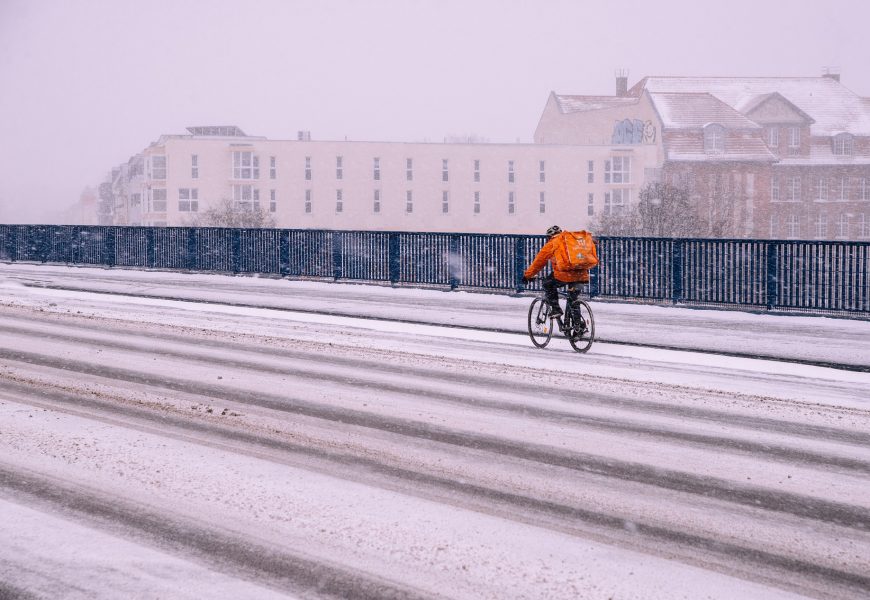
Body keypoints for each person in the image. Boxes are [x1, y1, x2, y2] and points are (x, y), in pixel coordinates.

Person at [522, 225, 589, 318]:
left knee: (547, 284)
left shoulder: (552, 243)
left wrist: (527, 275)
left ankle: (556, 309)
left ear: (549, 236)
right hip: (582, 275)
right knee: (573, 299)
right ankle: (579, 326)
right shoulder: (572, 241)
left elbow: (539, 262)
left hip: (566, 275)